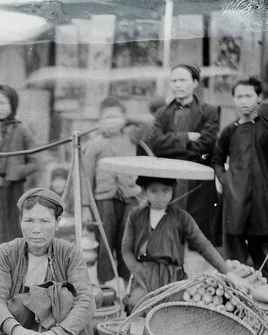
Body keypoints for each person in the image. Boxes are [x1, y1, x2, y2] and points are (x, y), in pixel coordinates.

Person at [0, 188, 95, 335]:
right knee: (16, 306)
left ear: (57, 223)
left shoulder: (69, 253)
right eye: (29, 221)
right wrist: (22, 334)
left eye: (44, 221)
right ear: (20, 222)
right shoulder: (7, 253)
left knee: (64, 298)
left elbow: (86, 302)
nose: (36, 229)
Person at [121, 176, 242, 311]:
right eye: (153, 191)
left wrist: (227, 272)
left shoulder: (181, 217)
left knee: (172, 311)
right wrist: (138, 269)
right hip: (144, 274)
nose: (160, 196)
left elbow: (204, 246)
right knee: (136, 304)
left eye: (165, 191)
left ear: (173, 191)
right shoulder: (136, 215)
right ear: (145, 191)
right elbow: (126, 250)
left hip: (173, 276)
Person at [212, 77, 268, 282]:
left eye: (248, 95)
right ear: (234, 100)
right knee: (234, 261)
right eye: (239, 96)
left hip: (262, 201)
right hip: (234, 200)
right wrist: (226, 180)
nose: (244, 100)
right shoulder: (229, 130)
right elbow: (217, 160)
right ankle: (238, 298)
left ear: (259, 98)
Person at [145, 64, 220, 244]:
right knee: (169, 234)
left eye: (183, 80)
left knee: (198, 238)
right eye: (174, 80)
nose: (178, 85)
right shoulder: (163, 113)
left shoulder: (208, 111)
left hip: (197, 181)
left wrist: (171, 148)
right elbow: (155, 143)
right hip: (171, 179)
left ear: (195, 83)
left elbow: (206, 144)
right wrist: (185, 137)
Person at [81, 98, 142, 290]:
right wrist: (85, 207)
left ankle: (126, 281)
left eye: (116, 116)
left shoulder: (132, 138)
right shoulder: (94, 144)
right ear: (99, 120)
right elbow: (86, 178)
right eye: (107, 117)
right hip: (104, 200)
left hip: (130, 197)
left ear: (124, 118)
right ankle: (106, 286)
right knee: (105, 243)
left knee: (127, 241)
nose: (112, 120)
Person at [0, 85, 41, 249]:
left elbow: (36, 161)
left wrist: (15, 173)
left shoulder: (22, 130)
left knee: (11, 232)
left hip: (11, 189)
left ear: (12, 104)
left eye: (3, 103)